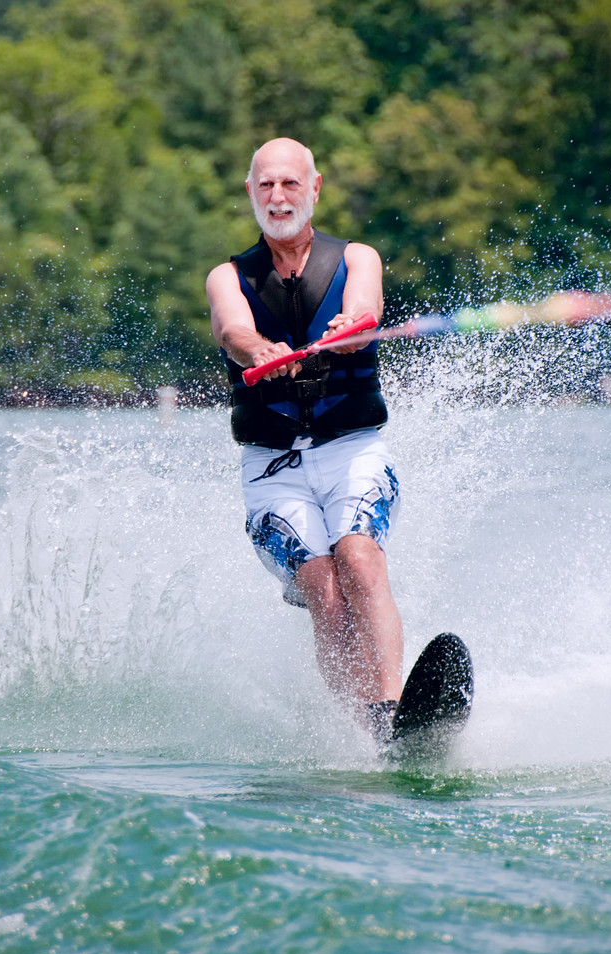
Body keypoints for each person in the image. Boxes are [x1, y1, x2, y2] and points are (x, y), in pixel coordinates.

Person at [206, 137, 403, 737]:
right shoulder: (228, 277)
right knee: (324, 586)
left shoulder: (357, 258)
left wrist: (352, 325)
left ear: (314, 188)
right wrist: (260, 351)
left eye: (290, 182)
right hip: (273, 467)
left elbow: (364, 308)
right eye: (266, 184)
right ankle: (359, 726)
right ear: (250, 192)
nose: (278, 196)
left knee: (359, 559)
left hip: (351, 450)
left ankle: (391, 707)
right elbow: (231, 329)